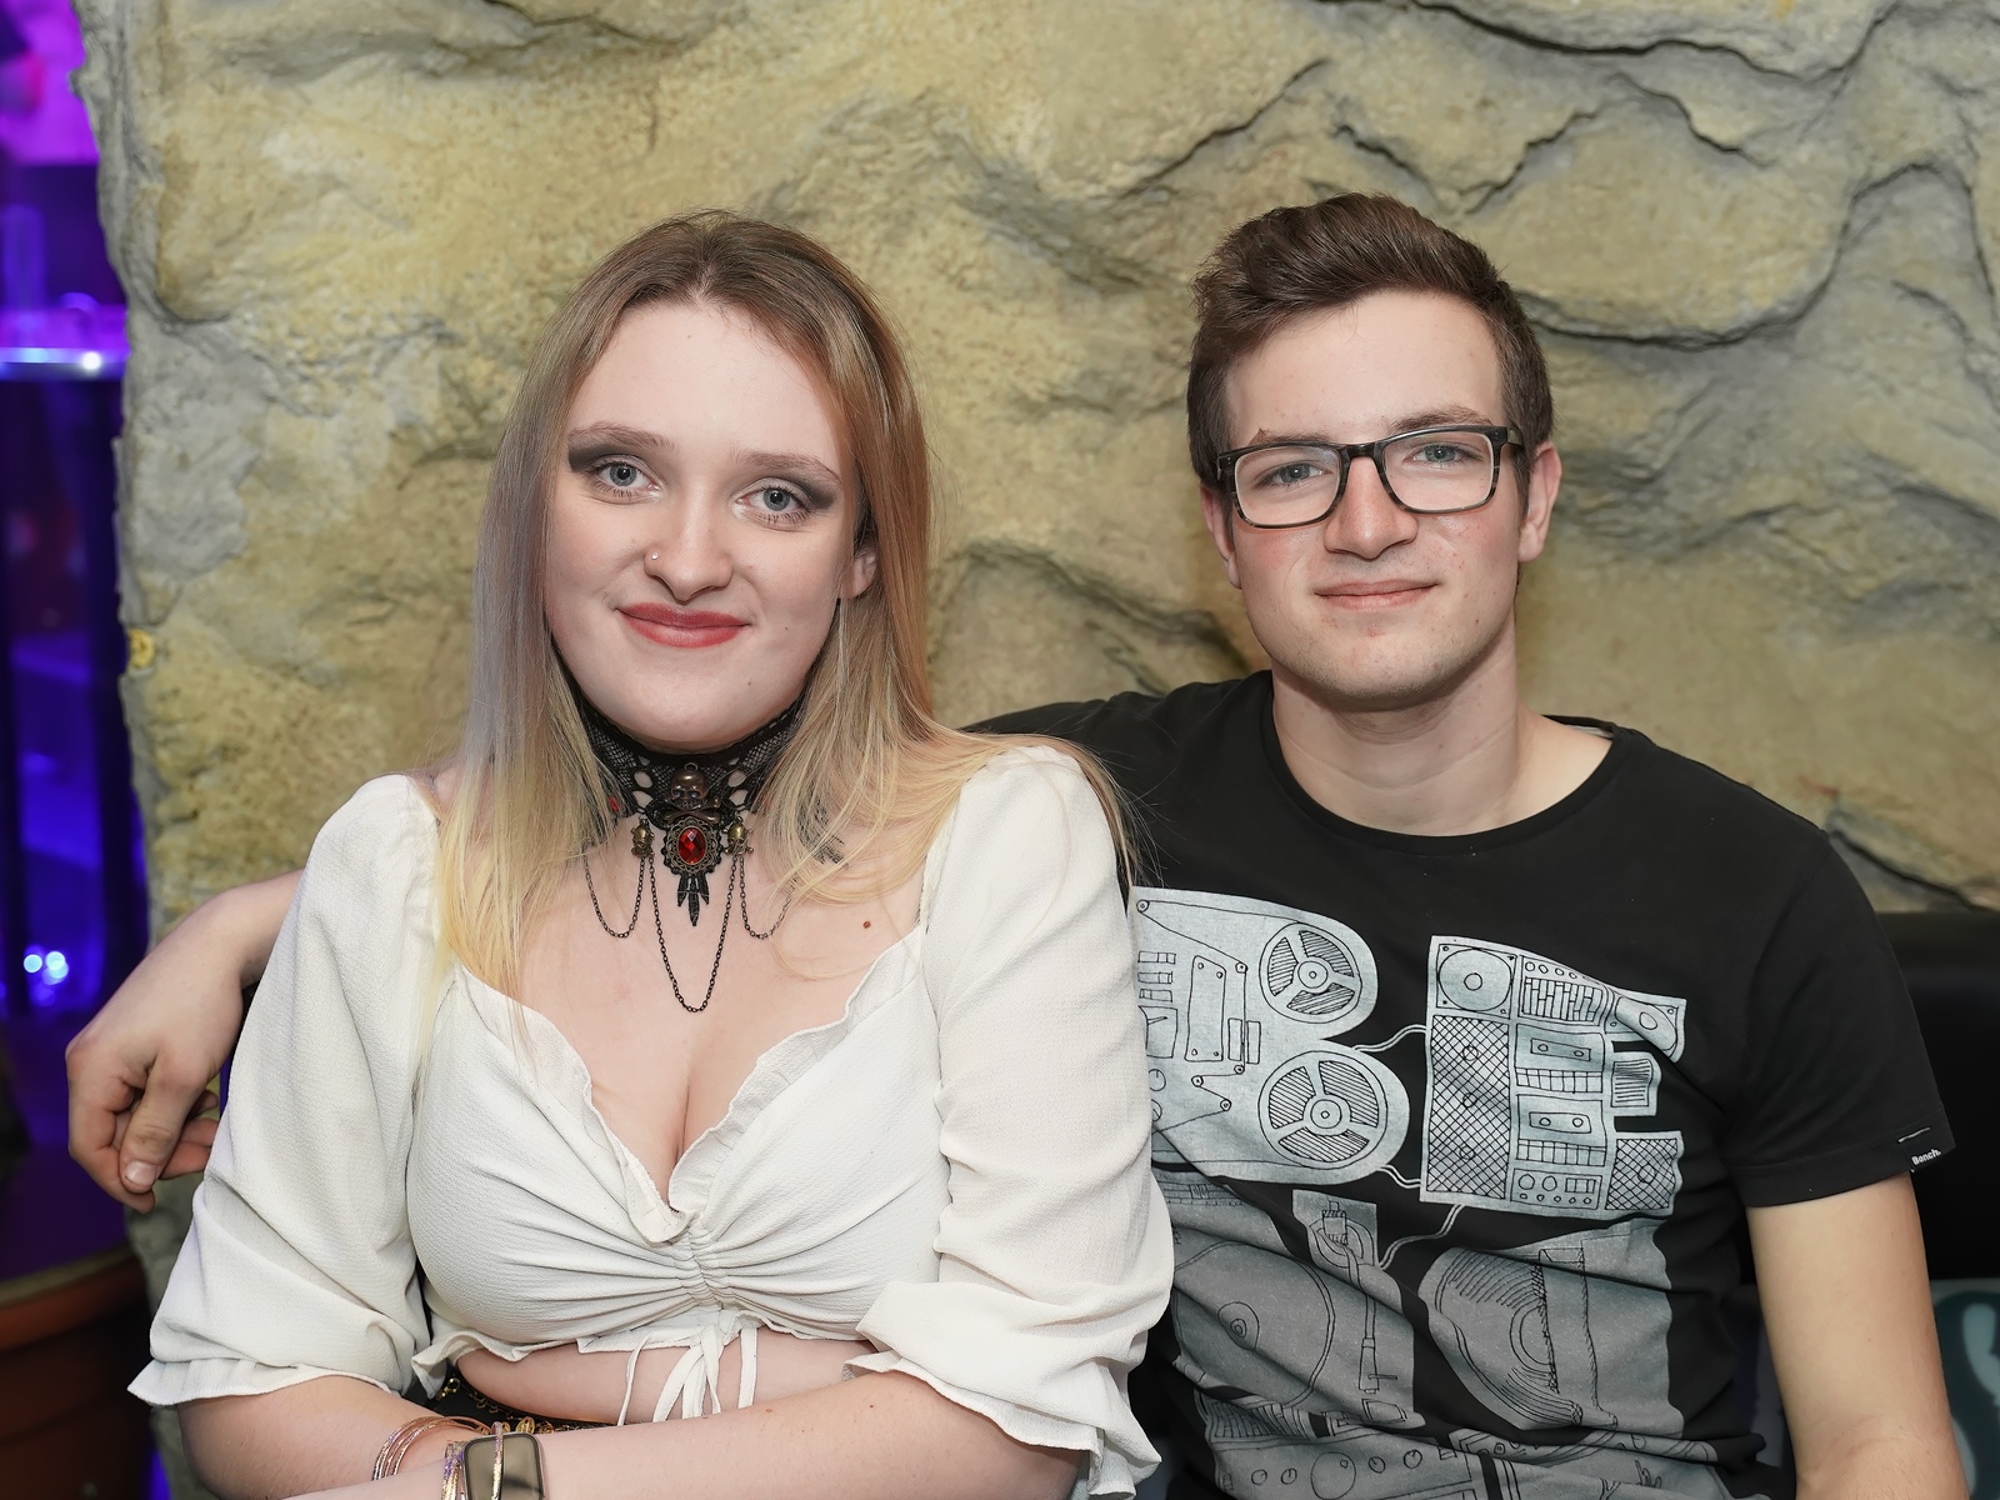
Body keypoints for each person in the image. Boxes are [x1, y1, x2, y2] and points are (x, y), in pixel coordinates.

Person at [70, 195, 1962, 1500]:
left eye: (1439, 453)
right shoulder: (1090, 797)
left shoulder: (1753, 895)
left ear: (1535, 496)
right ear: (1219, 534)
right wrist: (270, 920)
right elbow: (716, 787)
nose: (1368, 521)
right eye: (1293, 470)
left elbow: (1883, 1442)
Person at [99, 210, 1173, 1500]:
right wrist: (473, 1471)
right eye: (621, 473)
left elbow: (1022, 1420)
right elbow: (245, 1377)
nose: (688, 559)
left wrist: (522, 1486)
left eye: (777, 496)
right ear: (535, 510)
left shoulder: (1011, 834)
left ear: (862, 556)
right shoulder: (394, 866)